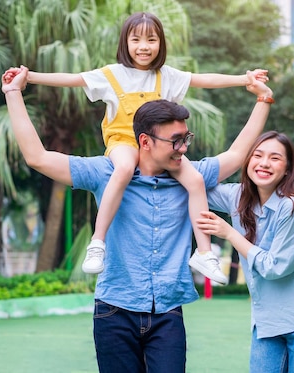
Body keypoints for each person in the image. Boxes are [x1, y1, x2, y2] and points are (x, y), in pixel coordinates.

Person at [1, 65, 273, 372]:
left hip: (168, 313)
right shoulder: (106, 174)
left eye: (186, 138)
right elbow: (37, 157)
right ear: (145, 142)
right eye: (175, 141)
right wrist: (13, 93)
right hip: (114, 312)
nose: (183, 148)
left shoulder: (190, 176)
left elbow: (237, 155)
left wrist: (263, 101)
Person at [25, 11, 268, 282]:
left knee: (196, 180)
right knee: (125, 169)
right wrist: (29, 77)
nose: (144, 46)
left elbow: (205, 79)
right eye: (136, 39)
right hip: (124, 142)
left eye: (151, 40)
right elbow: (72, 79)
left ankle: (203, 251)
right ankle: (98, 242)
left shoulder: (166, 75)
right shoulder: (112, 74)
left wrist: (245, 79)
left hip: (162, 146)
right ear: (125, 43)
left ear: (160, 43)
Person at [196, 131, 294, 372]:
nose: (264, 163)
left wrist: (230, 233)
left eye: (274, 158)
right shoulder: (238, 196)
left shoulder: (292, 207)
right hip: (267, 321)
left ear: (287, 169)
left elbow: (275, 267)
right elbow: (193, 180)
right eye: (257, 155)